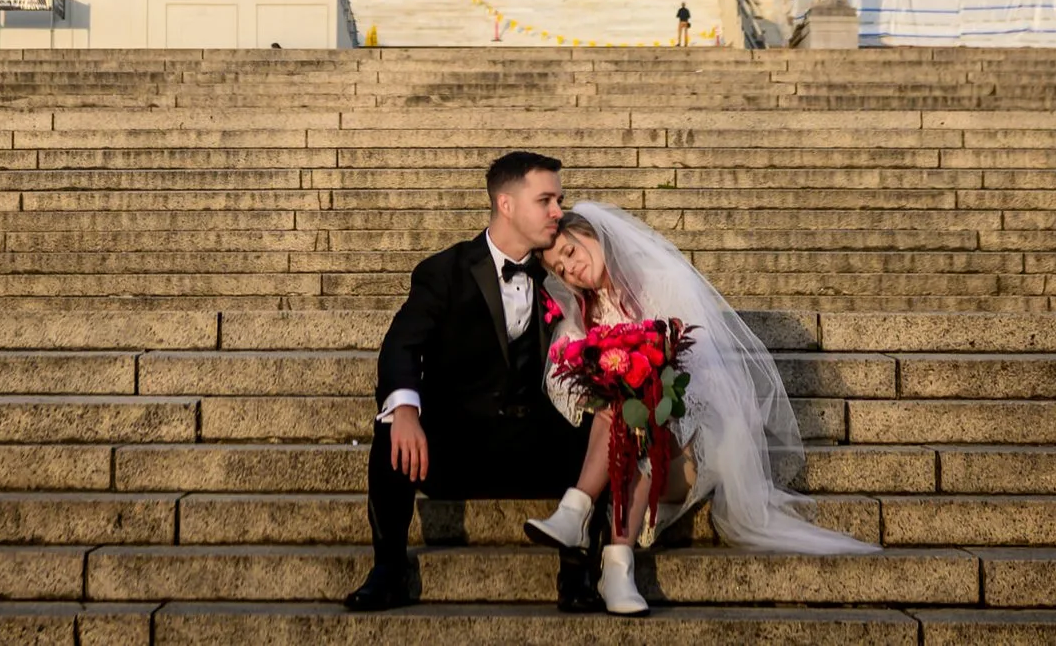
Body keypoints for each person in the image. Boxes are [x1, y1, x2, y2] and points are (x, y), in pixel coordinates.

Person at [526, 204, 873, 615]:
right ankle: (617, 564)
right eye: (560, 271)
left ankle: (577, 512)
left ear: (593, 234)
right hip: (635, 446)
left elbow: (701, 381)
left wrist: (642, 390)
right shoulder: (586, 311)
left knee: (638, 401)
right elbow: (561, 376)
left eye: (570, 252)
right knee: (624, 407)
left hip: (689, 448)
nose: (572, 270)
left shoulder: (660, 283)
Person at [348, 153, 602, 613]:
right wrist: (405, 409)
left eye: (559, 200)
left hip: (536, 444)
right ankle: (387, 569)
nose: (557, 212)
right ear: (506, 204)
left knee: (598, 425)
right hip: (457, 447)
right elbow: (401, 344)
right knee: (392, 423)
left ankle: (580, 573)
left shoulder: (562, 273)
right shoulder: (445, 271)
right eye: (545, 200)